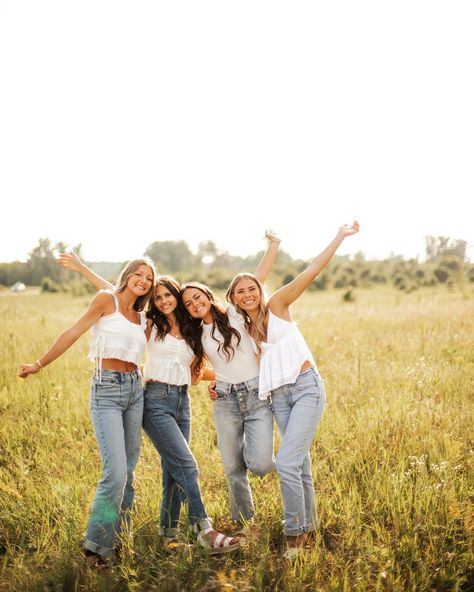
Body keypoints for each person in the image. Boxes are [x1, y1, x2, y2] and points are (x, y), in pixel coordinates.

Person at [59, 254, 240, 554]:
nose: (164, 300)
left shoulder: (191, 329)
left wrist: (219, 378)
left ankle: (168, 535)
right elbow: (117, 297)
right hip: (154, 400)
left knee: (172, 472)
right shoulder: (148, 324)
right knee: (186, 465)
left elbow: (194, 370)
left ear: (177, 297)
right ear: (152, 301)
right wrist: (81, 268)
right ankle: (204, 530)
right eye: (157, 296)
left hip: (183, 403)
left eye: (169, 294)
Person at [225, 222, 360, 557]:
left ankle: (294, 535)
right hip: (278, 398)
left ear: (260, 290)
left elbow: (312, 270)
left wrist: (339, 236)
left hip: (305, 389)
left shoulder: (279, 305)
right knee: (299, 466)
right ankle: (308, 530)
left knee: (285, 462)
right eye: (239, 292)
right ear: (233, 300)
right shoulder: (246, 329)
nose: (247, 294)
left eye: (251, 289)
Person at [18, 258, 157, 566]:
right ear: (127, 275)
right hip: (106, 389)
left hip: (135, 390)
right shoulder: (106, 300)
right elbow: (74, 331)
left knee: (129, 473)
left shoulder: (142, 316)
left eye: (149, 278)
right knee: (115, 472)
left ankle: (120, 540)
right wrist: (38, 365)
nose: (144, 280)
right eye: (138, 273)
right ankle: (96, 546)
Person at [180, 231, 281, 532]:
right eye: (188, 303)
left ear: (208, 295)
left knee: (261, 463)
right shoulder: (196, 335)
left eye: (197, 296)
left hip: (257, 394)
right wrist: (217, 380)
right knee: (232, 468)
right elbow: (198, 373)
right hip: (225, 400)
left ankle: (291, 465)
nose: (194, 303)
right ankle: (244, 523)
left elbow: (258, 280)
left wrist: (273, 246)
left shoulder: (235, 314)